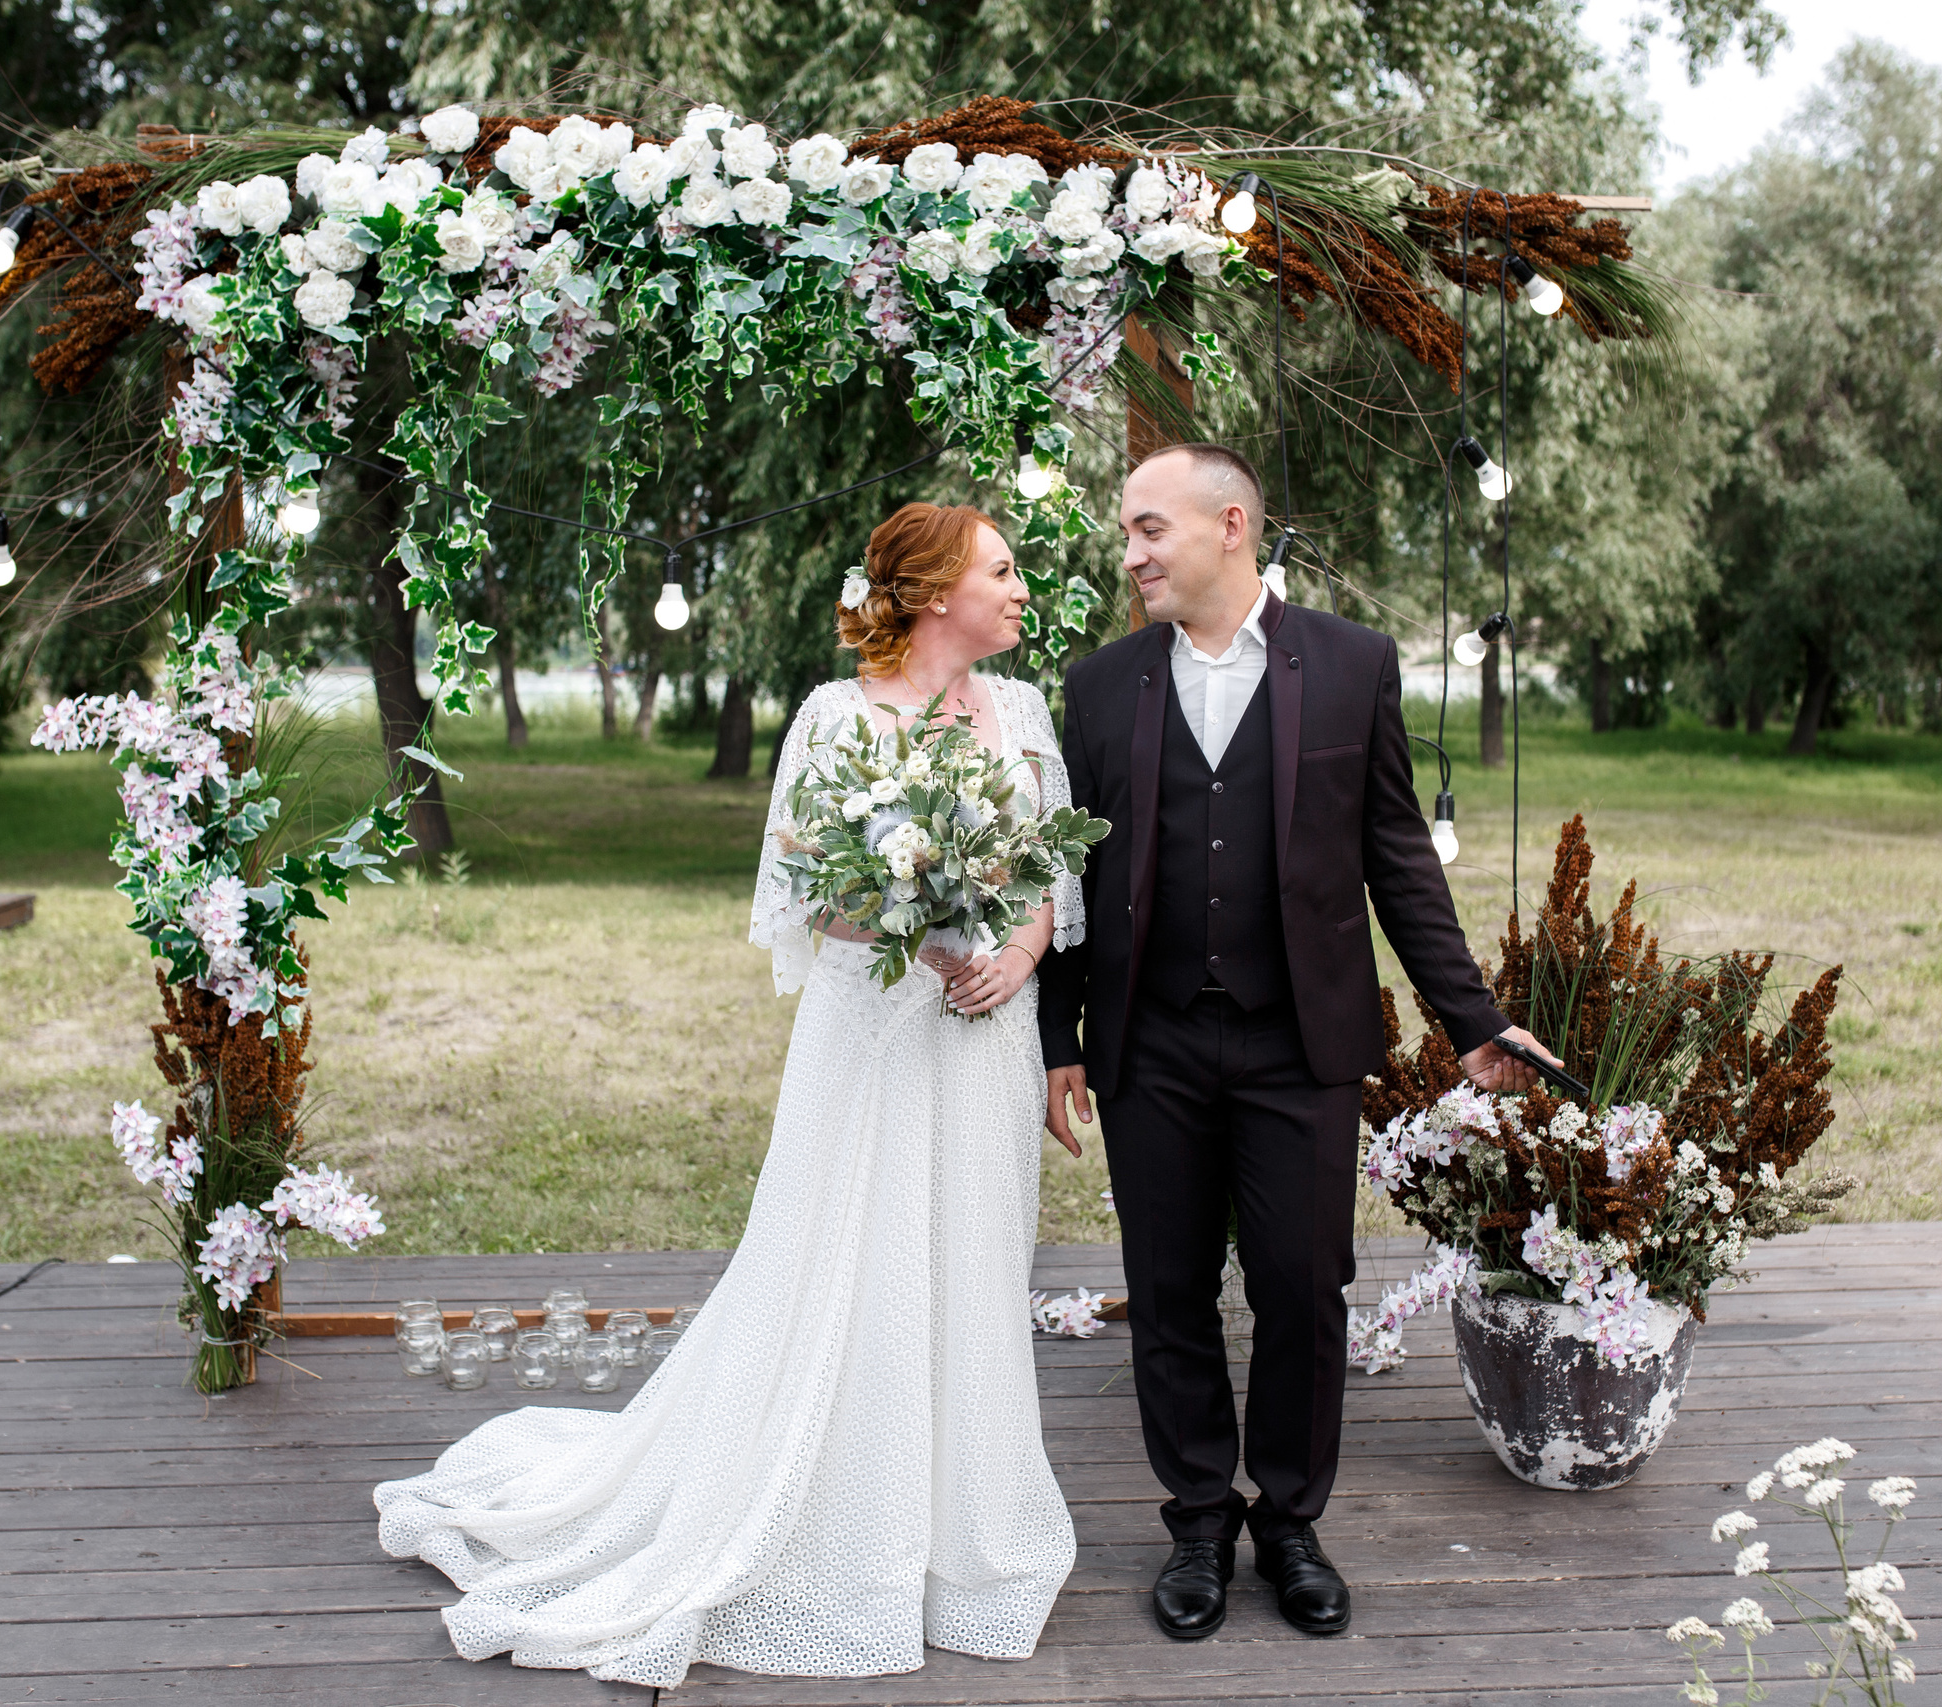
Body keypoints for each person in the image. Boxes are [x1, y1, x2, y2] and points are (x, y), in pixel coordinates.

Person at [375, 502, 1080, 1686]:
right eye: (1001, 573)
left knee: (970, 1260)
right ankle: (839, 1524)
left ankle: (961, 1533)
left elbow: (1053, 869)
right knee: (849, 1261)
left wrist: (1012, 954)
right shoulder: (836, 717)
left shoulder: (1021, 711)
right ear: (929, 594)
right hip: (880, 1037)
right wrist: (924, 923)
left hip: (984, 1040)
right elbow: (809, 897)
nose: (1020, 591)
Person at [1037, 442, 1560, 1642]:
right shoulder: (1104, 684)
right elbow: (1069, 873)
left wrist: (1469, 1017)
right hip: (1149, 1042)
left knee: (1300, 1289)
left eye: (1148, 530)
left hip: (1298, 1045)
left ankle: (1288, 1523)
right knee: (1167, 1291)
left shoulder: (1350, 665)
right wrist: (1059, 1032)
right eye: (1127, 532)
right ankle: (1195, 1524)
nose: (1130, 555)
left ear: (1229, 526)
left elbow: (1395, 860)